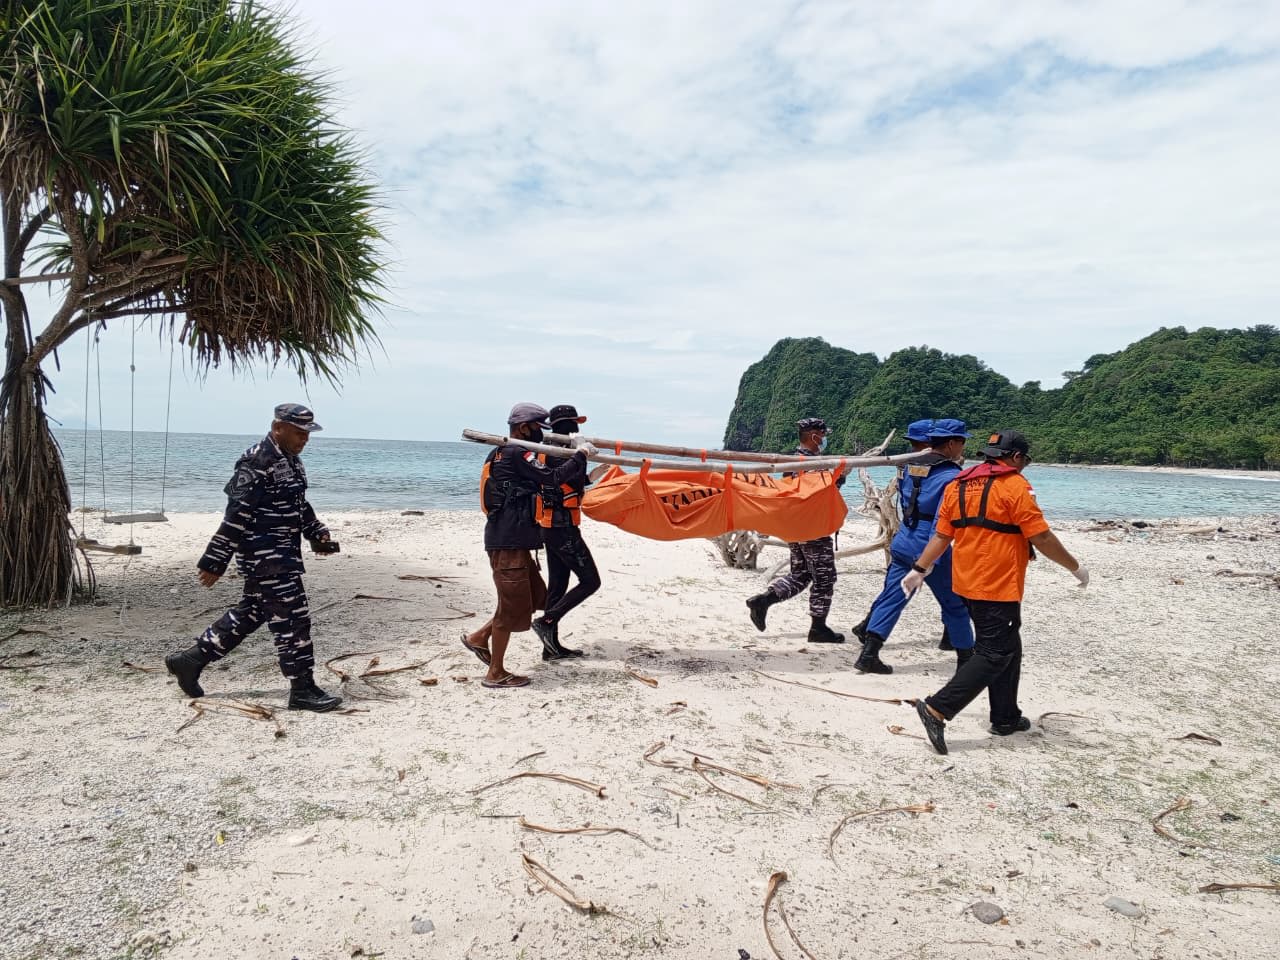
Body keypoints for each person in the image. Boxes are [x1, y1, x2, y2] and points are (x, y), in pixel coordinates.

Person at [905, 430, 1088, 754]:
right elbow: (1041, 538)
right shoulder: (1015, 486)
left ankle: (1005, 717)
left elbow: (942, 535)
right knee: (994, 653)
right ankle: (937, 708)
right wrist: (1074, 566)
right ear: (1015, 457)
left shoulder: (958, 484)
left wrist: (920, 569)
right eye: (1025, 461)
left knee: (1009, 645)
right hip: (996, 583)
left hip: (966, 580)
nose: (1025, 466)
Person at [165, 403, 343, 712]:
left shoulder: (290, 460)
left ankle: (190, 661)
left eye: (308, 434)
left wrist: (316, 532)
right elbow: (236, 514)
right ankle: (302, 689)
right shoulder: (255, 462)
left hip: (283, 554)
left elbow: (299, 504)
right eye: (299, 433)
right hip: (265, 558)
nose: (305, 439)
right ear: (278, 428)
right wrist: (214, 561)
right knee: (293, 620)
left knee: (250, 613)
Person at [462, 403, 595, 688]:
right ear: (524, 428)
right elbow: (553, 478)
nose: (539, 434)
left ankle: (478, 638)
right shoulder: (515, 451)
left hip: (513, 541)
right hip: (507, 542)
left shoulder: (499, 452)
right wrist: (582, 454)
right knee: (509, 609)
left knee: (534, 598)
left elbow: (543, 481)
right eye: (537, 428)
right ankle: (496, 673)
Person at [853, 418, 975, 674]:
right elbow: (942, 522)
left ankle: (869, 654)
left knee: (894, 597)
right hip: (929, 544)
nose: (963, 448)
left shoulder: (910, 467)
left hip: (904, 538)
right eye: (962, 442)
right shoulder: (953, 477)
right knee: (955, 603)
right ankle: (966, 659)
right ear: (952, 444)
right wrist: (928, 560)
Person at [745, 416, 847, 643]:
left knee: (800, 574)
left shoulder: (791, 461)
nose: (825, 439)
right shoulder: (814, 464)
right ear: (814, 436)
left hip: (796, 528)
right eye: (823, 435)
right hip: (813, 529)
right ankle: (818, 629)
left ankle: (763, 601)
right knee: (824, 578)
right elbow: (822, 492)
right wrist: (840, 477)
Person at [530, 403, 601, 660]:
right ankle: (547, 621)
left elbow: (571, 482)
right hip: (562, 528)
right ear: (567, 425)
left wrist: (593, 476)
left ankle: (551, 649)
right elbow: (559, 475)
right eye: (575, 424)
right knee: (591, 581)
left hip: (551, 526)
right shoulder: (557, 452)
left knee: (558, 586)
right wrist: (580, 453)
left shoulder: (555, 451)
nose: (578, 429)